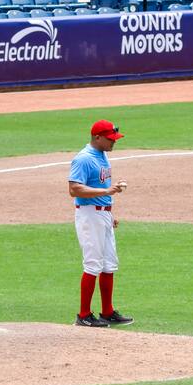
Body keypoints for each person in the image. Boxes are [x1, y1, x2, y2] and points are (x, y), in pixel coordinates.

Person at [68, 119, 133, 327]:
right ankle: (84, 315)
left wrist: (109, 212)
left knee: (109, 264)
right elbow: (74, 189)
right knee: (93, 264)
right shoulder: (84, 159)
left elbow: (100, 185)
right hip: (89, 215)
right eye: (110, 139)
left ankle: (107, 312)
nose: (114, 142)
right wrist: (106, 192)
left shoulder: (103, 155)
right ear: (97, 138)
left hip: (103, 214)